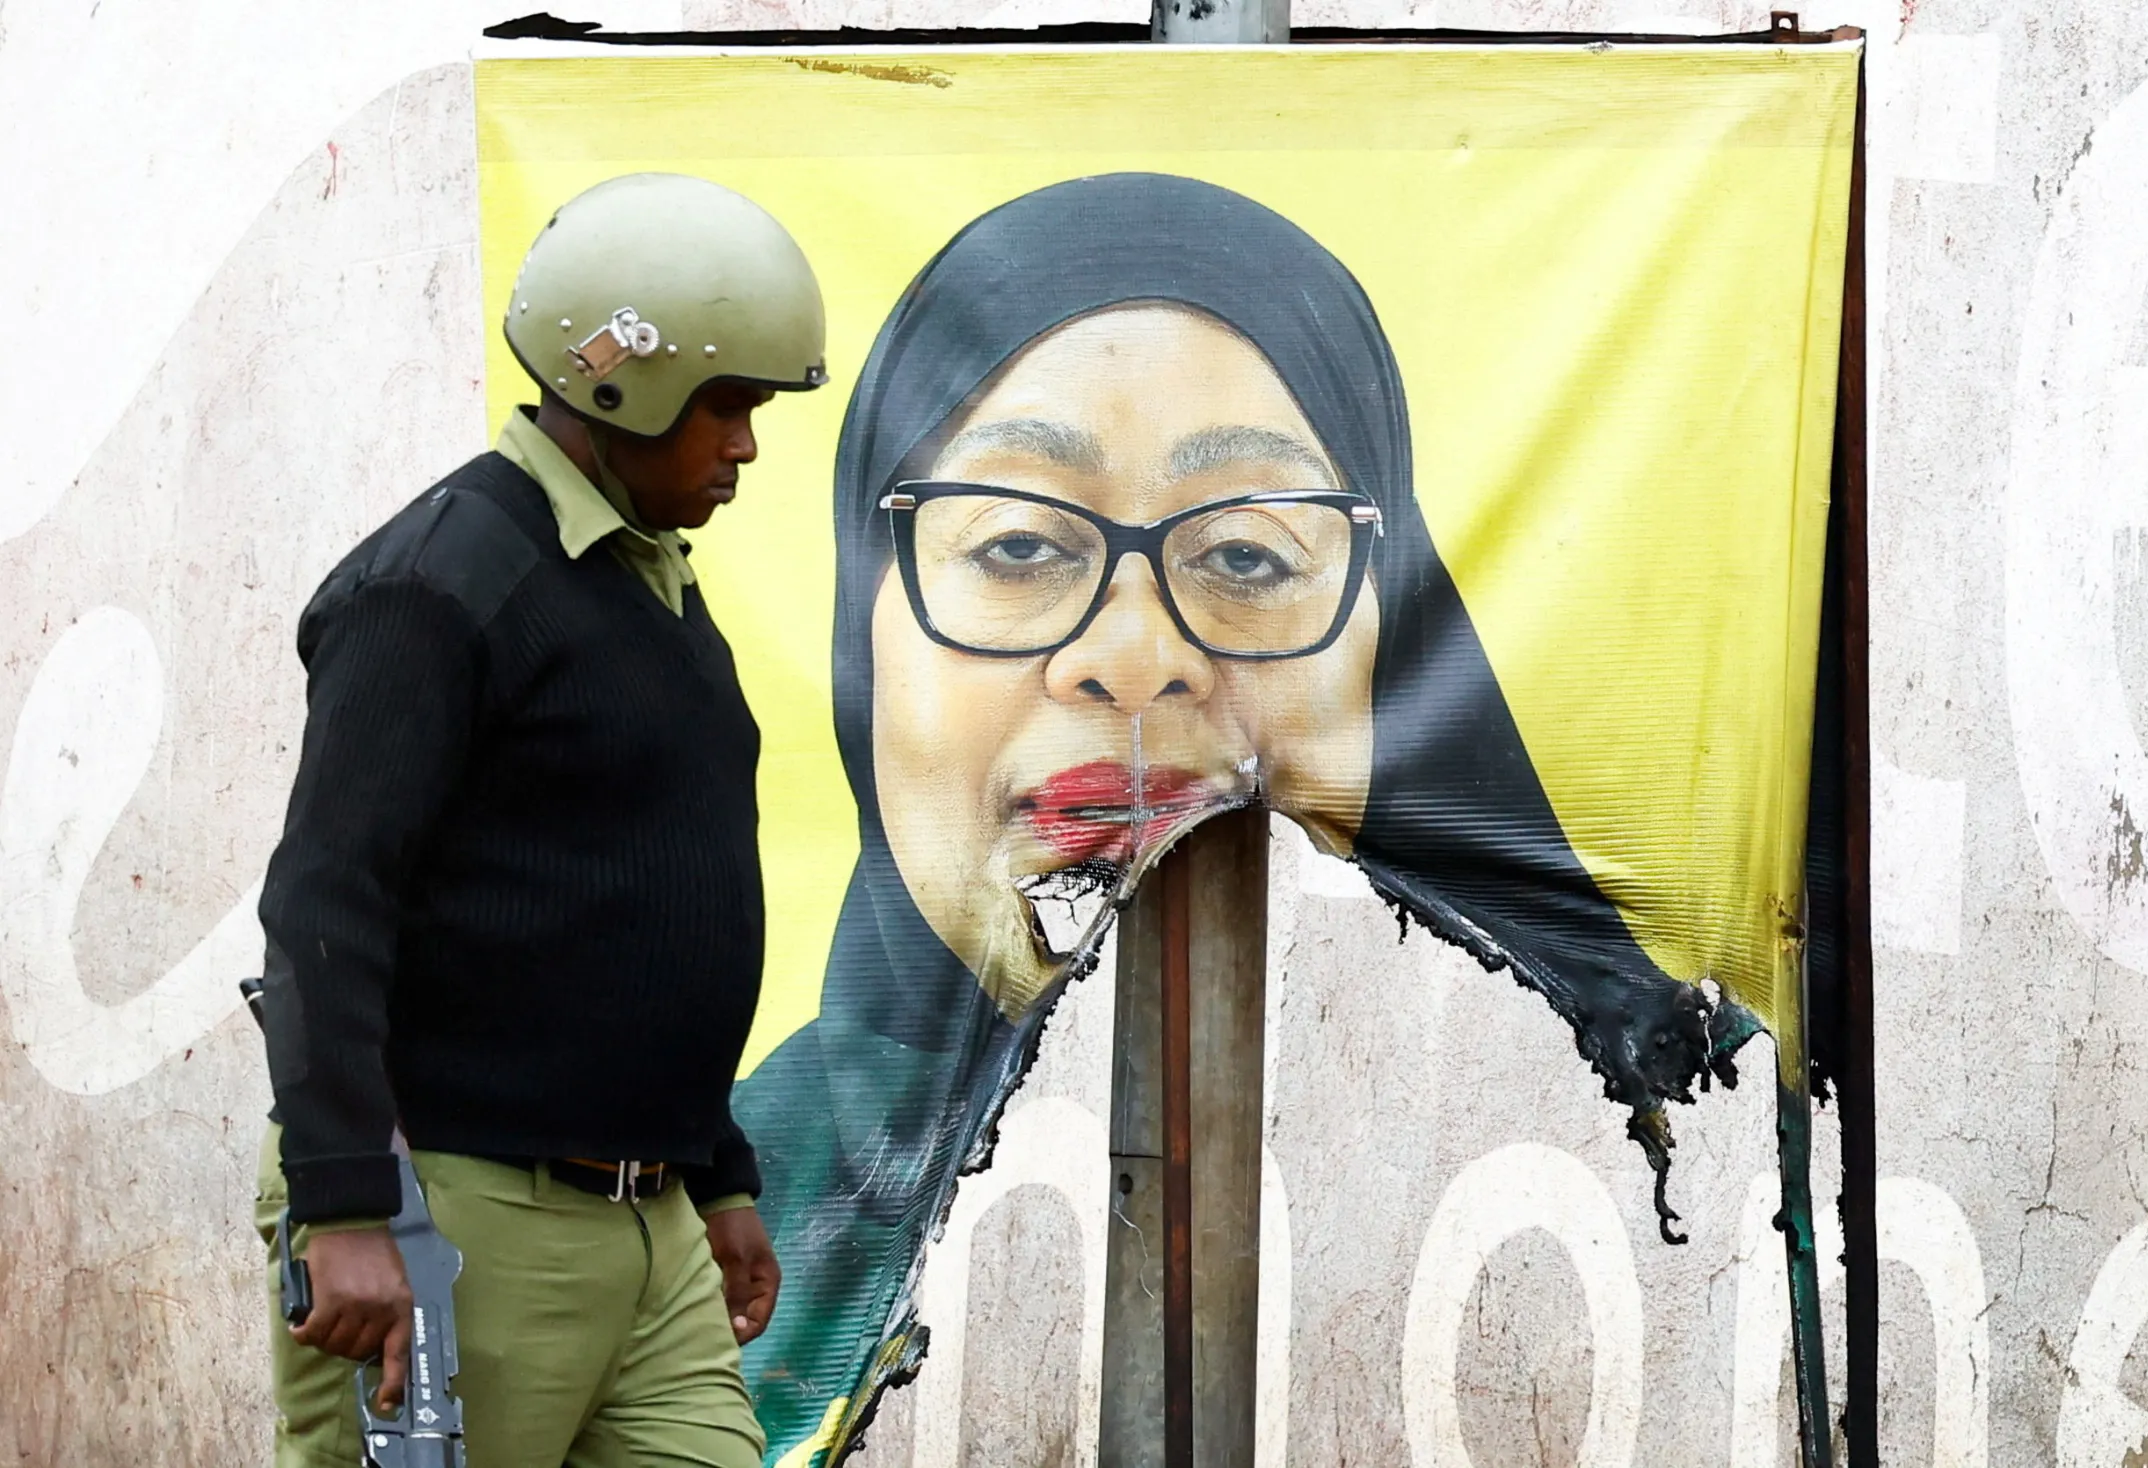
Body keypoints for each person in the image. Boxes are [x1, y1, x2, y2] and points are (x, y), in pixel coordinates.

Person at [729, 172, 1729, 1461]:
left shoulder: (1650, 1130)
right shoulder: (726, 1195)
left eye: (1249, 557)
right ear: (859, 625)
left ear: (1397, 636)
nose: (1135, 659)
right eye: (1021, 547)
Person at [250, 171, 829, 1468]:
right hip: (456, 1215)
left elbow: (631, 911)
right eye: (729, 405)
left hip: (653, 1230)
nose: (745, 445)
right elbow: (324, 900)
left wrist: (717, 1172)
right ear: (626, 387)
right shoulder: (443, 584)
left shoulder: (644, 584)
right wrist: (343, 1206)